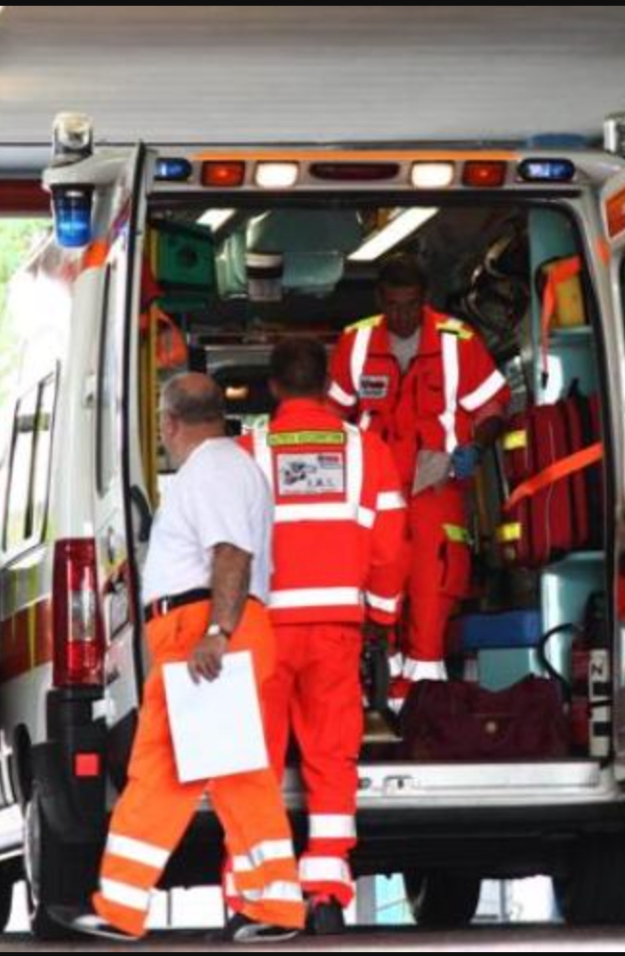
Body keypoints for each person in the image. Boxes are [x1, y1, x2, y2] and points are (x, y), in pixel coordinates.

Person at [64, 373, 305, 942]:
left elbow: (231, 555)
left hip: (205, 631)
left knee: (168, 769)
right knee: (222, 774)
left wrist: (217, 632)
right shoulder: (227, 465)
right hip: (208, 629)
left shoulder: (213, 470)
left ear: (169, 424)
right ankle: (271, 902)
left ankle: (125, 906)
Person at [242, 339, 406, 934]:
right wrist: (384, 618)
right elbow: (390, 545)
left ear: (274, 388)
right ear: (330, 383)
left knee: (254, 760)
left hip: (263, 630)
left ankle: (259, 894)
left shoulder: (248, 451)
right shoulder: (368, 452)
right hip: (337, 630)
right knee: (331, 759)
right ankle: (327, 888)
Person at [328, 254, 510, 711]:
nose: (402, 316)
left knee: (435, 580)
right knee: (376, 579)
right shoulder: (356, 342)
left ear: (424, 301)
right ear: (379, 300)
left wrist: (476, 450)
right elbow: (334, 416)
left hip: (437, 478)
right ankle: (379, 682)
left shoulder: (458, 340)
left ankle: (426, 689)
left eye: (410, 305)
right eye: (393, 305)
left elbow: (492, 408)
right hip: (376, 481)